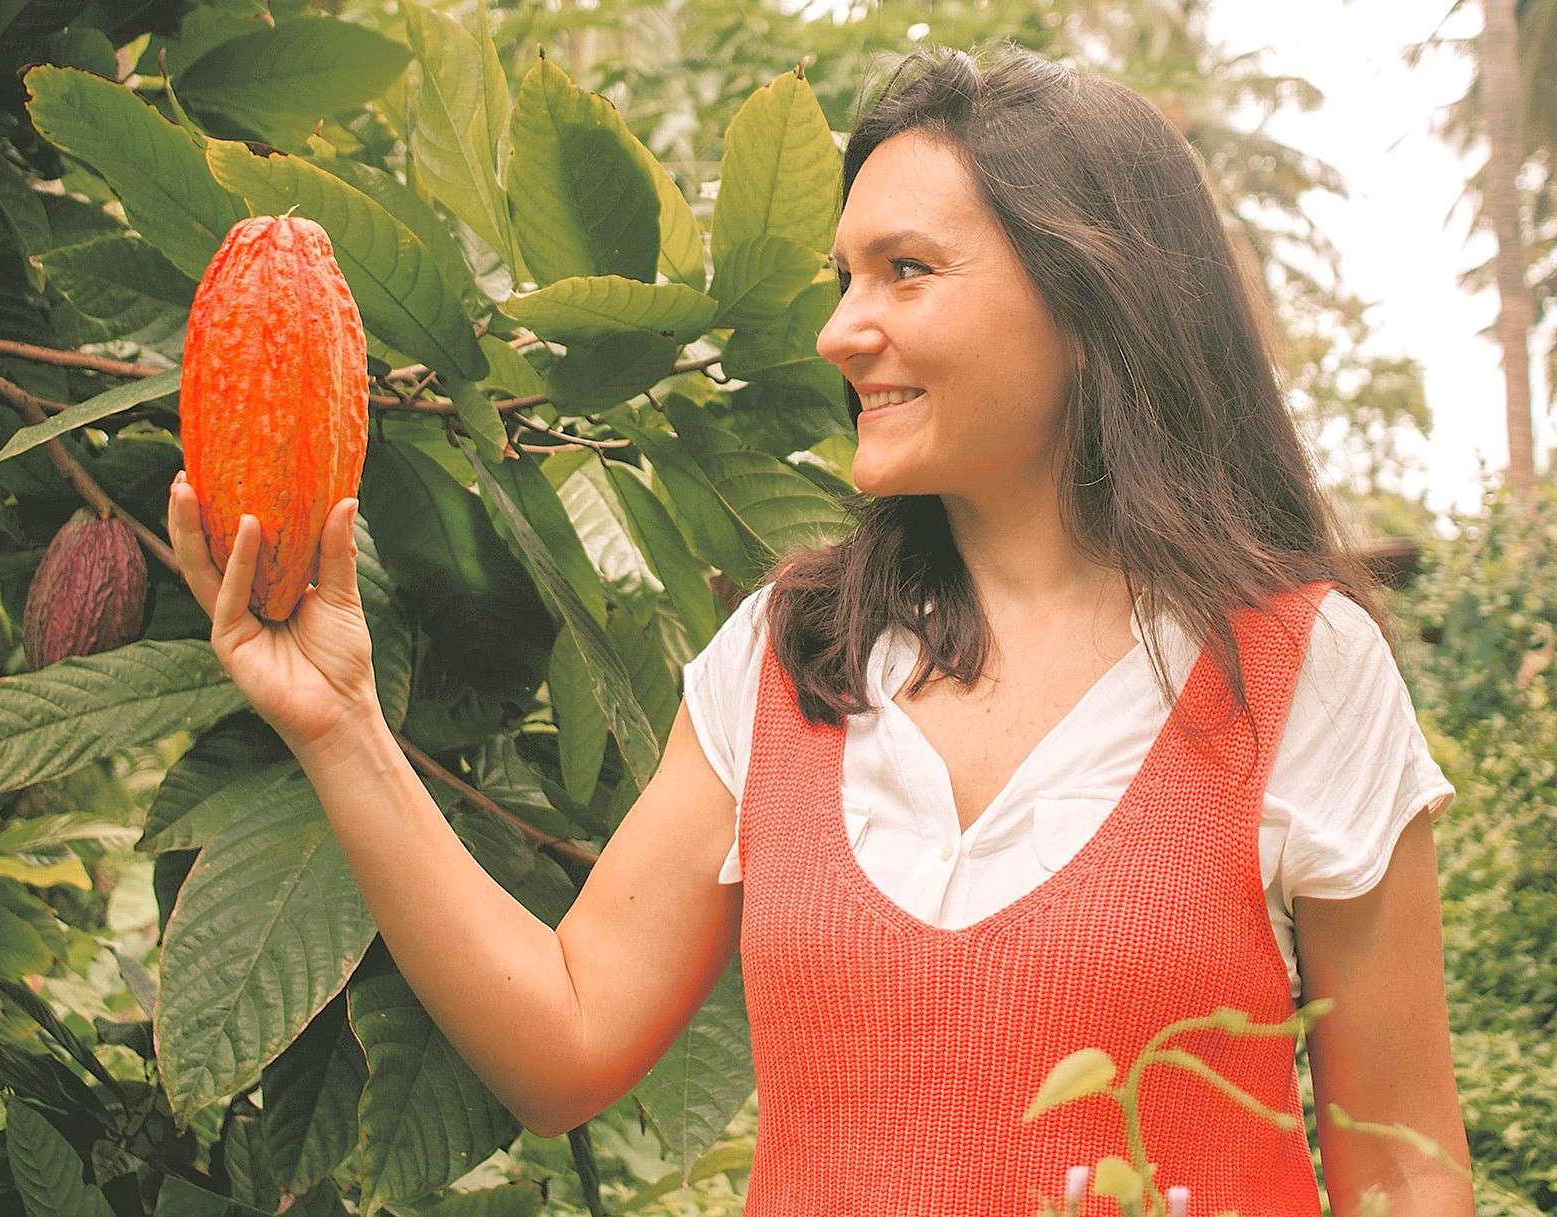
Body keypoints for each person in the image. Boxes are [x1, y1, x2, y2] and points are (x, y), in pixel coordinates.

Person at [167, 45, 1472, 1217]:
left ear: (1089, 303)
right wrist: (341, 725)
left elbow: (1406, 1168)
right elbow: (563, 1042)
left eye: (906, 270)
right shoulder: (784, 656)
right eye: (846, 275)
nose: (842, 330)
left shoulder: (1300, 669)